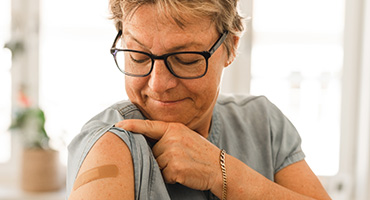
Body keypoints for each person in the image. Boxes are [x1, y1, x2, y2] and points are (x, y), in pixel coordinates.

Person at [67, 0, 331, 199]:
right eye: (138, 56)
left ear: (232, 47)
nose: (158, 85)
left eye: (186, 59)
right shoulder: (113, 142)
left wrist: (223, 173)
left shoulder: (262, 123)